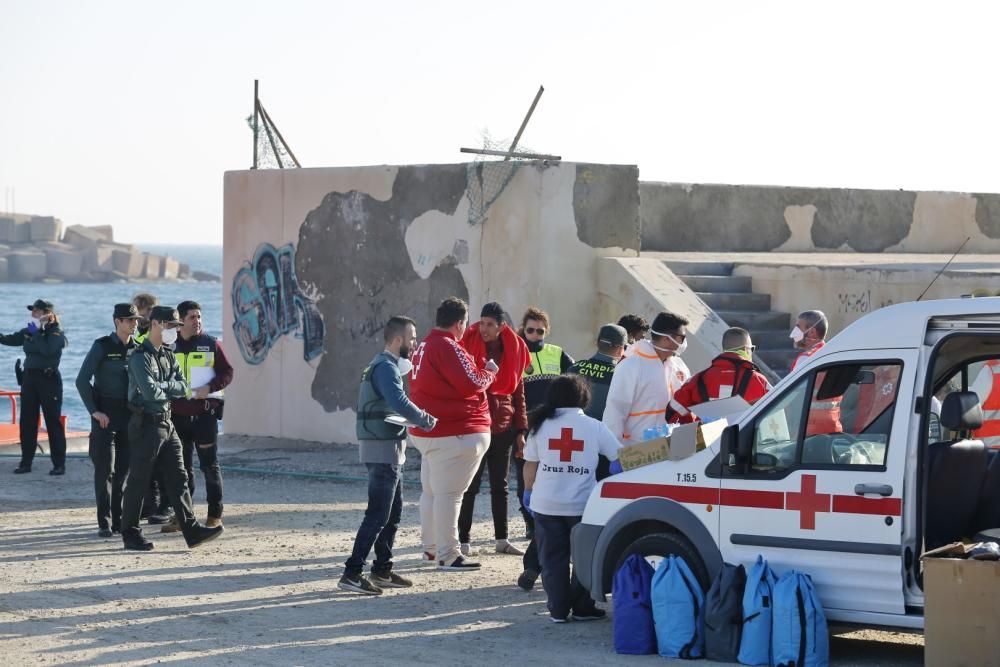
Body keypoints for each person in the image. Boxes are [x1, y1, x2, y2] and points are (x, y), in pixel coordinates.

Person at [340, 316, 437, 596]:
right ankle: (352, 572)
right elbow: (398, 401)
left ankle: (382, 569)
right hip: (382, 451)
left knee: (392, 514)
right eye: (413, 337)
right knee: (378, 515)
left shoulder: (384, 365)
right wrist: (424, 419)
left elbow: (391, 405)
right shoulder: (385, 367)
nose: (416, 343)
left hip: (389, 450)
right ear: (398, 340)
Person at [120, 305, 223, 551]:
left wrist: (167, 386)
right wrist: (170, 387)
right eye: (169, 326)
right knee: (139, 479)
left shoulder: (167, 353)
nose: (174, 331)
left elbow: (183, 385)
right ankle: (130, 533)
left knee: (179, 477)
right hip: (146, 423)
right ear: (155, 324)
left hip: (167, 422)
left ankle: (191, 530)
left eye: (176, 326)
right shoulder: (138, 356)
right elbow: (150, 392)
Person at [522, 374, 622, 623]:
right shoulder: (594, 426)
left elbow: (529, 465)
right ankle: (582, 607)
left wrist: (528, 491)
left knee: (552, 558)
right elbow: (619, 459)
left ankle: (557, 609)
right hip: (582, 505)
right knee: (583, 557)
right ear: (584, 398)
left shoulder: (540, 425)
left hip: (545, 504)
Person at [409, 297, 496, 571]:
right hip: (455, 431)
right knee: (449, 495)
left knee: (432, 492)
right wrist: (490, 372)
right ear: (460, 323)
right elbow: (471, 383)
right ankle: (448, 554)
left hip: (430, 431)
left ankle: (431, 550)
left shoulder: (423, 345)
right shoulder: (447, 346)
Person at [457, 303, 530, 558]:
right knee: (469, 485)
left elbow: (518, 393)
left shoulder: (514, 349)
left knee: (501, 486)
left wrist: (520, 430)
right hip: (475, 425)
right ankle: (463, 541)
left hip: (503, 427)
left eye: (490, 324)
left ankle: (502, 539)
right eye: (482, 322)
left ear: (501, 327)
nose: (484, 329)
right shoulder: (467, 344)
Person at [516, 306, 574, 589]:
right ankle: (529, 521)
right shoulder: (515, 354)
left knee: (549, 480)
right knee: (523, 478)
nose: (535, 335)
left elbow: (573, 383)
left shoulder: (557, 354)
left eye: (540, 330)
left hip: (553, 427)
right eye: (530, 330)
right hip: (526, 426)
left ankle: (537, 531)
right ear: (522, 329)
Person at [166, 300, 234, 532]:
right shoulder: (169, 345)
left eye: (199, 317)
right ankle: (183, 517)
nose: (198, 322)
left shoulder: (211, 343)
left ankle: (215, 515)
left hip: (204, 416)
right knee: (181, 469)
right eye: (192, 317)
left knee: (209, 466)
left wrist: (210, 388)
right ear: (181, 321)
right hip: (176, 417)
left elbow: (227, 371)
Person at [75, 303, 140, 537]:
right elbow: (82, 380)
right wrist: (94, 411)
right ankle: (104, 521)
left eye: (136, 320)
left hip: (130, 415)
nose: (135, 324)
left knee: (123, 470)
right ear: (117, 321)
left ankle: (118, 520)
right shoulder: (101, 346)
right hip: (105, 414)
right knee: (105, 470)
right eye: (130, 320)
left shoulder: (139, 348)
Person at [1, 299, 68, 475]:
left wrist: (36, 334)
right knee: (27, 422)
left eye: (36, 311)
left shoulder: (56, 333)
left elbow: (48, 351)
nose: (33, 315)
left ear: (47, 313)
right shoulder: (29, 331)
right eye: (32, 311)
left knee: (52, 422)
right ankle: (26, 463)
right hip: (29, 380)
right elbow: (9, 339)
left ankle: (59, 465)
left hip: (48, 380)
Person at [603, 311, 691, 444]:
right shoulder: (632, 364)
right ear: (667, 338)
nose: (684, 343)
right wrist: (614, 452)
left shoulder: (679, 366)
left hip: (671, 448)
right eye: (682, 338)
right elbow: (615, 411)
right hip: (637, 450)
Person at [666, 327, 770, 424]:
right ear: (745, 349)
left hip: (709, 441)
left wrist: (694, 425)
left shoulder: (697, 380)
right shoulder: (759, 381)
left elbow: (672, 411)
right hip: (744, 442)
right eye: (751, 349)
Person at [567, 323, 626, 480]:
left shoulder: (574, 368)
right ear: (621, 348)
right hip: (605, 448)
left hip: (571, 444)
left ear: (597, 342)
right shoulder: (621, 375)